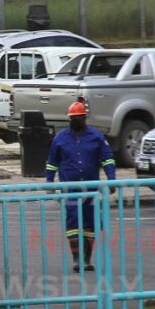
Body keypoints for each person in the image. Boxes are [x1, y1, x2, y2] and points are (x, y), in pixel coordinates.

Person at [45, 101, 116, 272]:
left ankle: (87, 259)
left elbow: (107, 159)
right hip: (70, 190)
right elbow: (52, 163)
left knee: (90, 223)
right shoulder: (60, 139)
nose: (77, 120)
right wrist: (50, 184)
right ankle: (77, 259)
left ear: (85, 118)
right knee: (73, 222)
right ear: (69, 119)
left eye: (79, 117)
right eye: (73, 118)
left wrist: (112, 180)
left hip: (91, 190)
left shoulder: (97, 137)